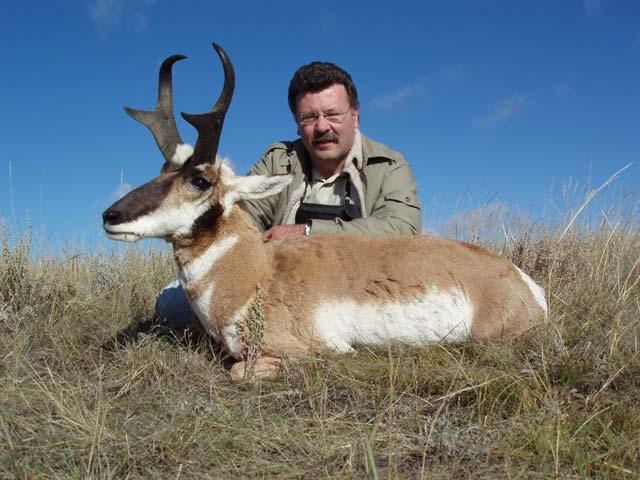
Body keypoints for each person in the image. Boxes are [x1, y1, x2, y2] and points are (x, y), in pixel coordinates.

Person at [156, 60, 422, 328]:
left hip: (361, 283)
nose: (322, 127)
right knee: (171, 305)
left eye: (333, 114)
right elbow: (242, 218)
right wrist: (191, 186)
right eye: (309, 118)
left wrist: (306, 232)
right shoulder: (278, 161)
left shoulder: (388, 165)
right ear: (297, 124)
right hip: (282, 283)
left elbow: (403, 229)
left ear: (355, 116)